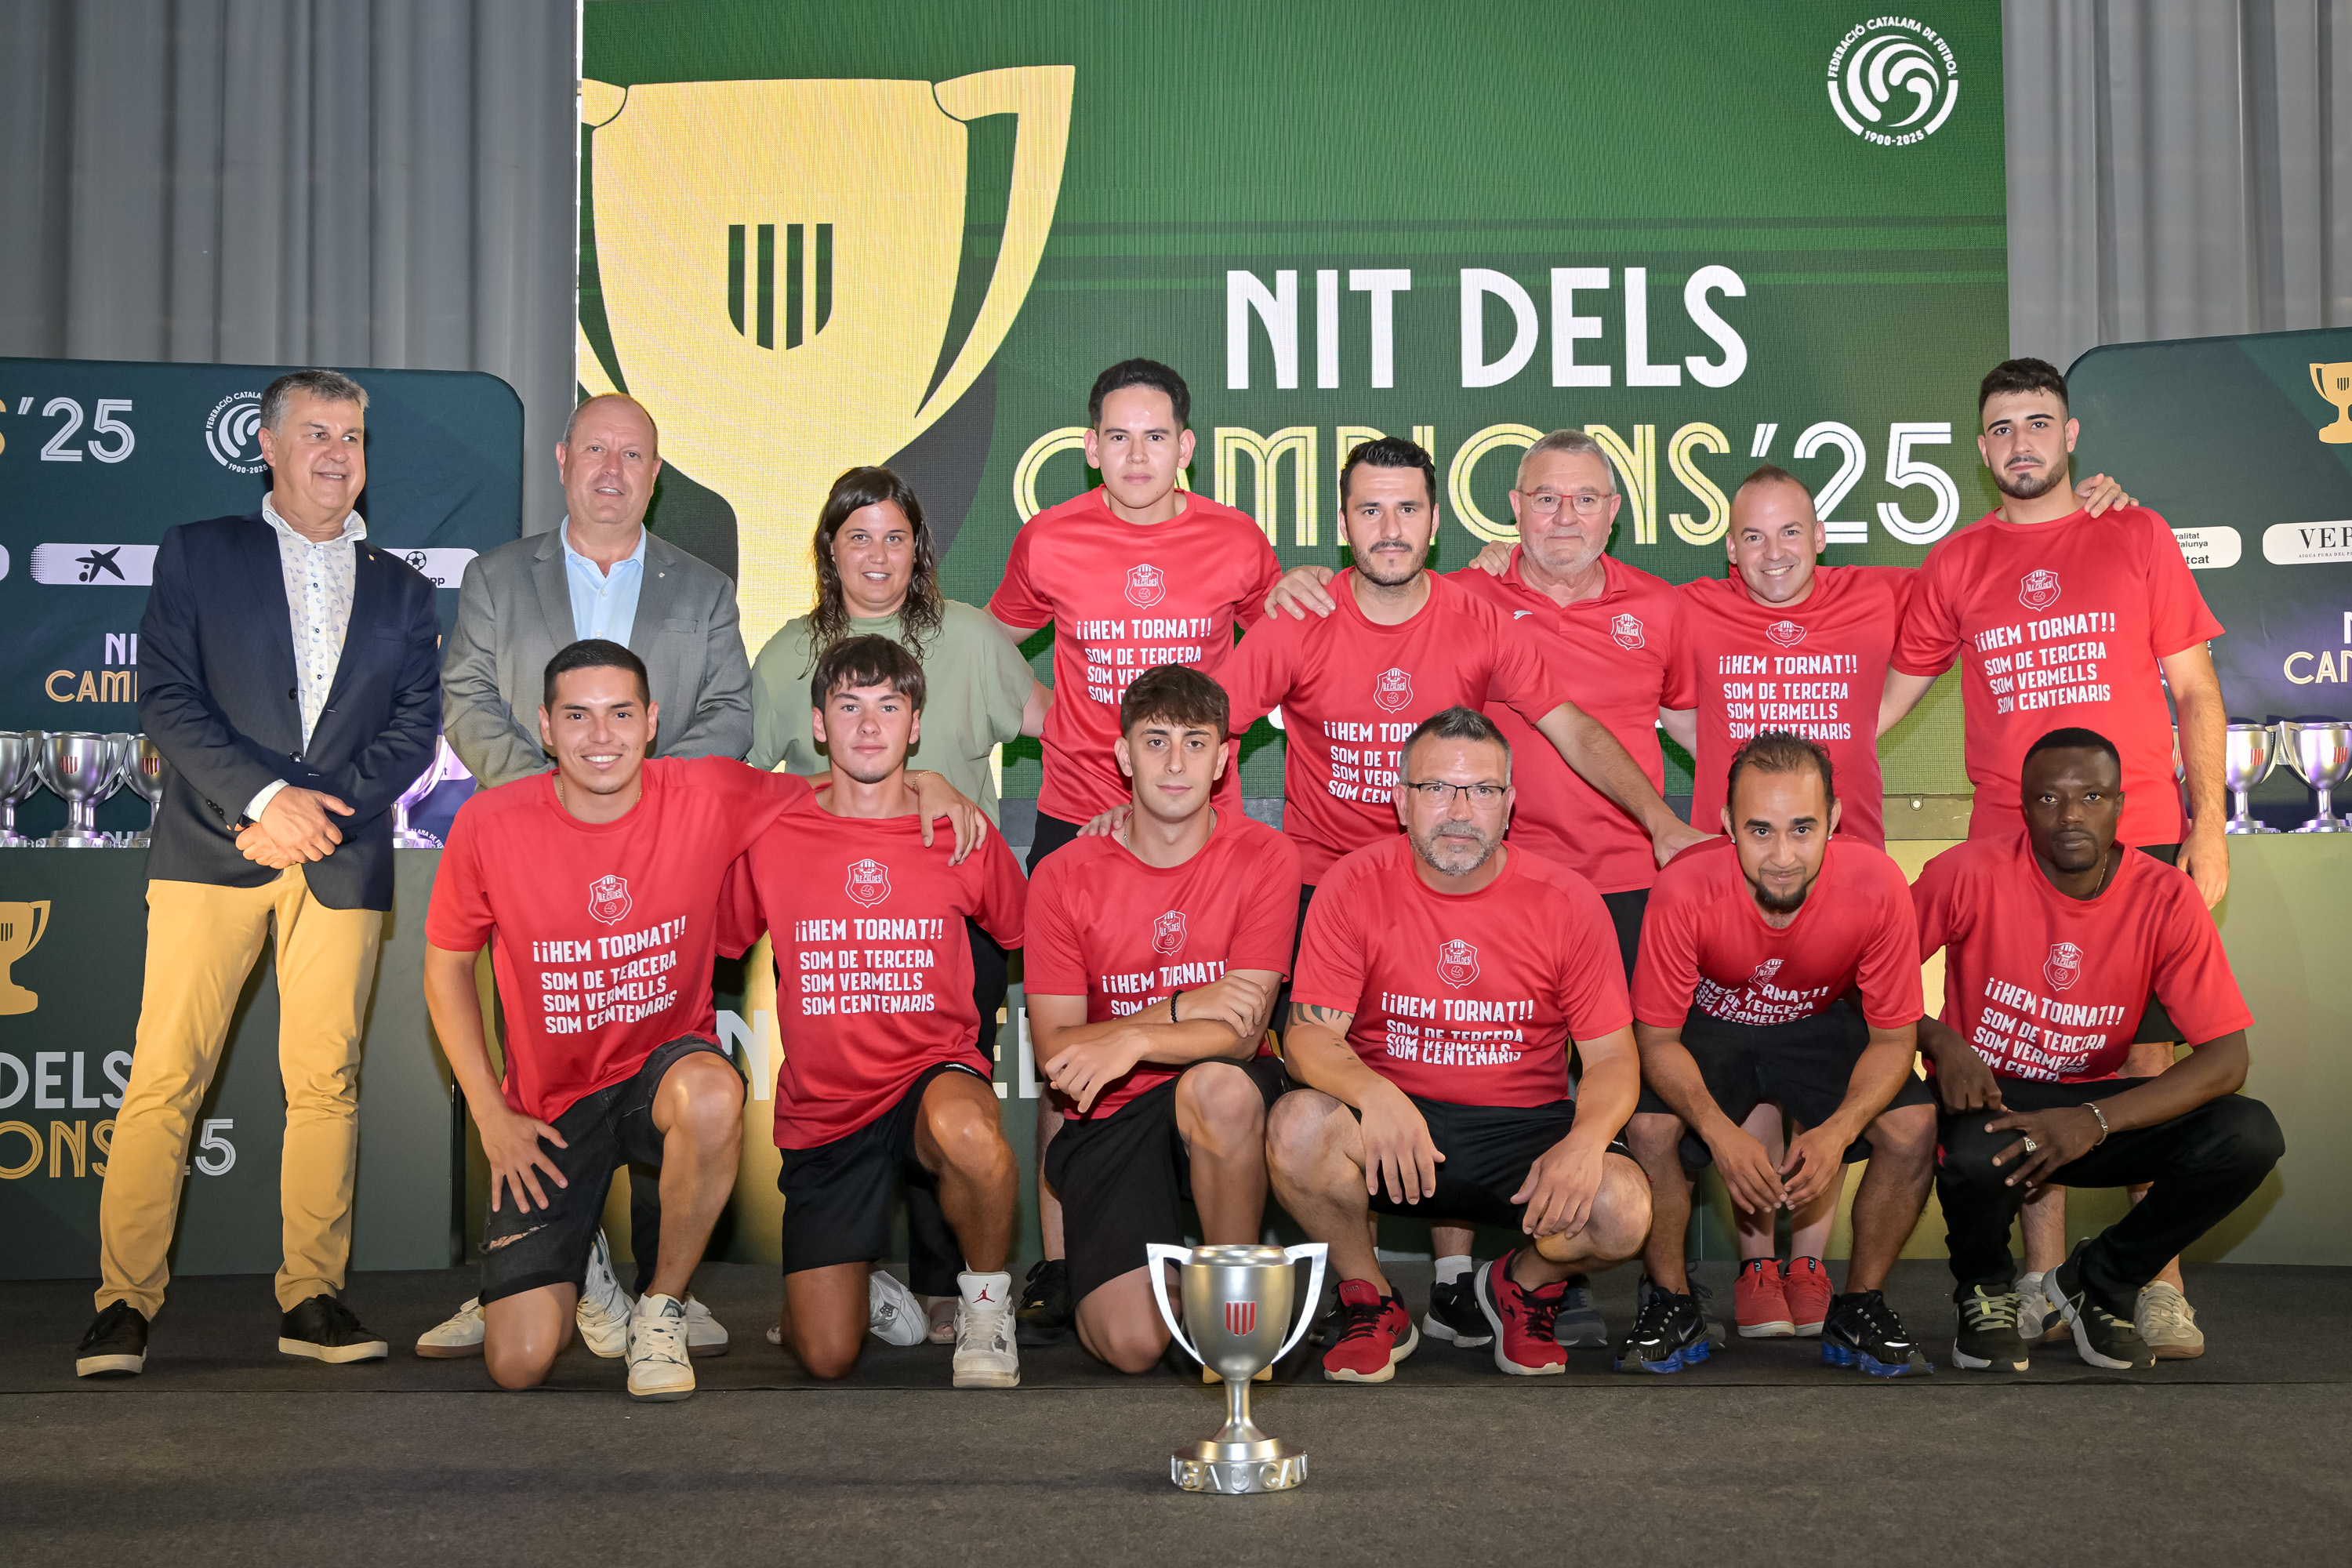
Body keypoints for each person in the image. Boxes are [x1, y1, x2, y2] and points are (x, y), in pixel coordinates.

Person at [419, 640, 982, 1400]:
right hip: (550, 1106)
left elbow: (840, 783)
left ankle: (661, 1307)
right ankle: (583, 1260)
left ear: (651, 721)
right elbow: (447, 969)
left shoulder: (708, 790)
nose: (601, 735)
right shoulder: (490, 823)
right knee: (519, 1364)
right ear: (545, 728)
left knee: (715, 1093)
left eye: (621, 714)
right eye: (577, 716)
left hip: (662, 1070)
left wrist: (924, 781)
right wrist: (491, 1115)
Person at [76, 370, 441, 1380]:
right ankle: (123, 1302)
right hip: (213, 847)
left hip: (341, 857)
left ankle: (312, 1295)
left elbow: (414, 727)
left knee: (326, 1082)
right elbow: (167, 697)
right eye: (316, 433)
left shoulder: (405, 589)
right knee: (165, 1078)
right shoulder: (201, 551)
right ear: (268, 447)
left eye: (352, 436)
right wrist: (264, 799)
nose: (338, 453)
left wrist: (319, 813)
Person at [1883, 356, 2227, 1346]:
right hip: (2008, 846)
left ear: (2070, 435)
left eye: (2038, 421)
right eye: (2001, 427)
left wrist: (2207, 823)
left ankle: (2152, 1281)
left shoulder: (2137, 532)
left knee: (2148, 1056)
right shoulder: (1956, 563)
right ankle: (2040, 1280)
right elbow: (1884, 703)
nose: (2020, 441)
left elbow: (2196, 689)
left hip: (2139, 834)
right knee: (2022, 1054)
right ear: (1981, 446)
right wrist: (1783, 771)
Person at [433, 391, 754, 1354]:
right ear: (564, 459)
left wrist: (638, 805)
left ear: (656, 476)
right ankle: (538, 1267)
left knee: (673, 1063)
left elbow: (731, 712)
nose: (614, 471)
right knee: (534, 1060)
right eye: (597, 451)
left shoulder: (704, 587)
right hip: (536, 866)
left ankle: (666, 1293)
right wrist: (555, 800)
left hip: (660, 868)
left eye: (634, 456)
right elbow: (467, 695)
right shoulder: (497, 576)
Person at [985, 358, 1280, 1343]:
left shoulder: (1236, 540)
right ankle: (1061, 1259)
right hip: (1077, 811)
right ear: (1090, 447)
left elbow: (1284, 644)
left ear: (1186, 446)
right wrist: (1057, 724)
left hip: (1199, 823)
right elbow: (992, 641)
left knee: (1206, 1039)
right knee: (1067, 1041)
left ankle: (1224, 1274)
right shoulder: (1049, 537)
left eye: (1157, 436)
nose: (1138, 454)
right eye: (1118, 437)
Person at [750, 465, 1050, 1343]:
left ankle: (955, 1291)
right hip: (832, 916)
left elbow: (1057, 726)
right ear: (829, 549)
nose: (877, 555)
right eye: (858, 536)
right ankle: (850, 1275)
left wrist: (1122, 797)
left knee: (948, 1104)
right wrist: (907, 784)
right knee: (848, 1108)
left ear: (920, 548)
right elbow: (741, 780)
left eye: (895, 536)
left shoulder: (970, 634)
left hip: (952, 907)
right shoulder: (788, 653)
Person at [1265, 707, 1652, 1382]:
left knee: (1624, 1211)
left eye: (1481, 790)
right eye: (1437, 788)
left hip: (1520, 1133)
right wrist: (1375, 1095)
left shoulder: (1567, 901)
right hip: (1394, 1129)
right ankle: (1371, 1299)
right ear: (1401, 801)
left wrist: (1588, 1141)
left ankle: (1519, 1286)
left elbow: (1614, 1059)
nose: (1459, 811)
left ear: (1510, 803)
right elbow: (1307, 1036)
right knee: (1296, 1127)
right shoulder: (1352, 884)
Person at [1916, 728, 2281, 1371]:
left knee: (2248, 1134)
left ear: (2119, 804)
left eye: (2091, 796)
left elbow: (2227, 1060)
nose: (2070, 815)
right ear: (2023, 807)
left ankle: (2101, 1280)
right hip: (1996, 1097)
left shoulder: (2166, 896)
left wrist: (2094, 1119)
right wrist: (1941, 1040)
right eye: (2048, 799)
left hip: (2095, 1105)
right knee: (1968, 1151)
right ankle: (1986, 1291)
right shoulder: (1963, 873)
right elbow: (1862, 979)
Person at [730, 636, 1029, 1388]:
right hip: (825, 1108)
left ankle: (985, 1307)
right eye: (849, 706)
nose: (869, 725)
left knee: (970, 1132)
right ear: (818, 724)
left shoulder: (960, 830)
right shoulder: (773, 831)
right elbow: (718, 942)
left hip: (930, 1072)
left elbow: (1027, 932)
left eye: (889, 707)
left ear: (915, 725)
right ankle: (860, 1294)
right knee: (825, 1355)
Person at [1625, 732, 1935, 1373]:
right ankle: (1673, 1304)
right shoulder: (1683, 887)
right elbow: (1655, 1039)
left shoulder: (1877, 883)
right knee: (1650, 1128)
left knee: (1913, 1124)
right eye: (1760, 831)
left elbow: (1893, 1037)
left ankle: (1859, 1306)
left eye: (1802, 828)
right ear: (1727, 825)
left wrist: (1839, 1131)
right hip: (1712, 1023)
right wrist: (1719, 1132)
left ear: (1835, 820)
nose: (1783, 856)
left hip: (1816, 1023)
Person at [1023, 666, 1300, 1374]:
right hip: (1112, 1115)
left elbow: (1240, 1033)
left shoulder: (1266, 856)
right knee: (1132, 1346)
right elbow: (1056, 1049)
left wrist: (1138, 1034)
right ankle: (1166, 1281)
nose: (1175, 764)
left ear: (1223, 760)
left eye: (1195, 743)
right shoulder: (1062, 873)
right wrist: (1182, 1006)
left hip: (1217, 1097)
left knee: (1219, 1086)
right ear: (1124, 756)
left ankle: (1231, 1307)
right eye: (1155, 742)